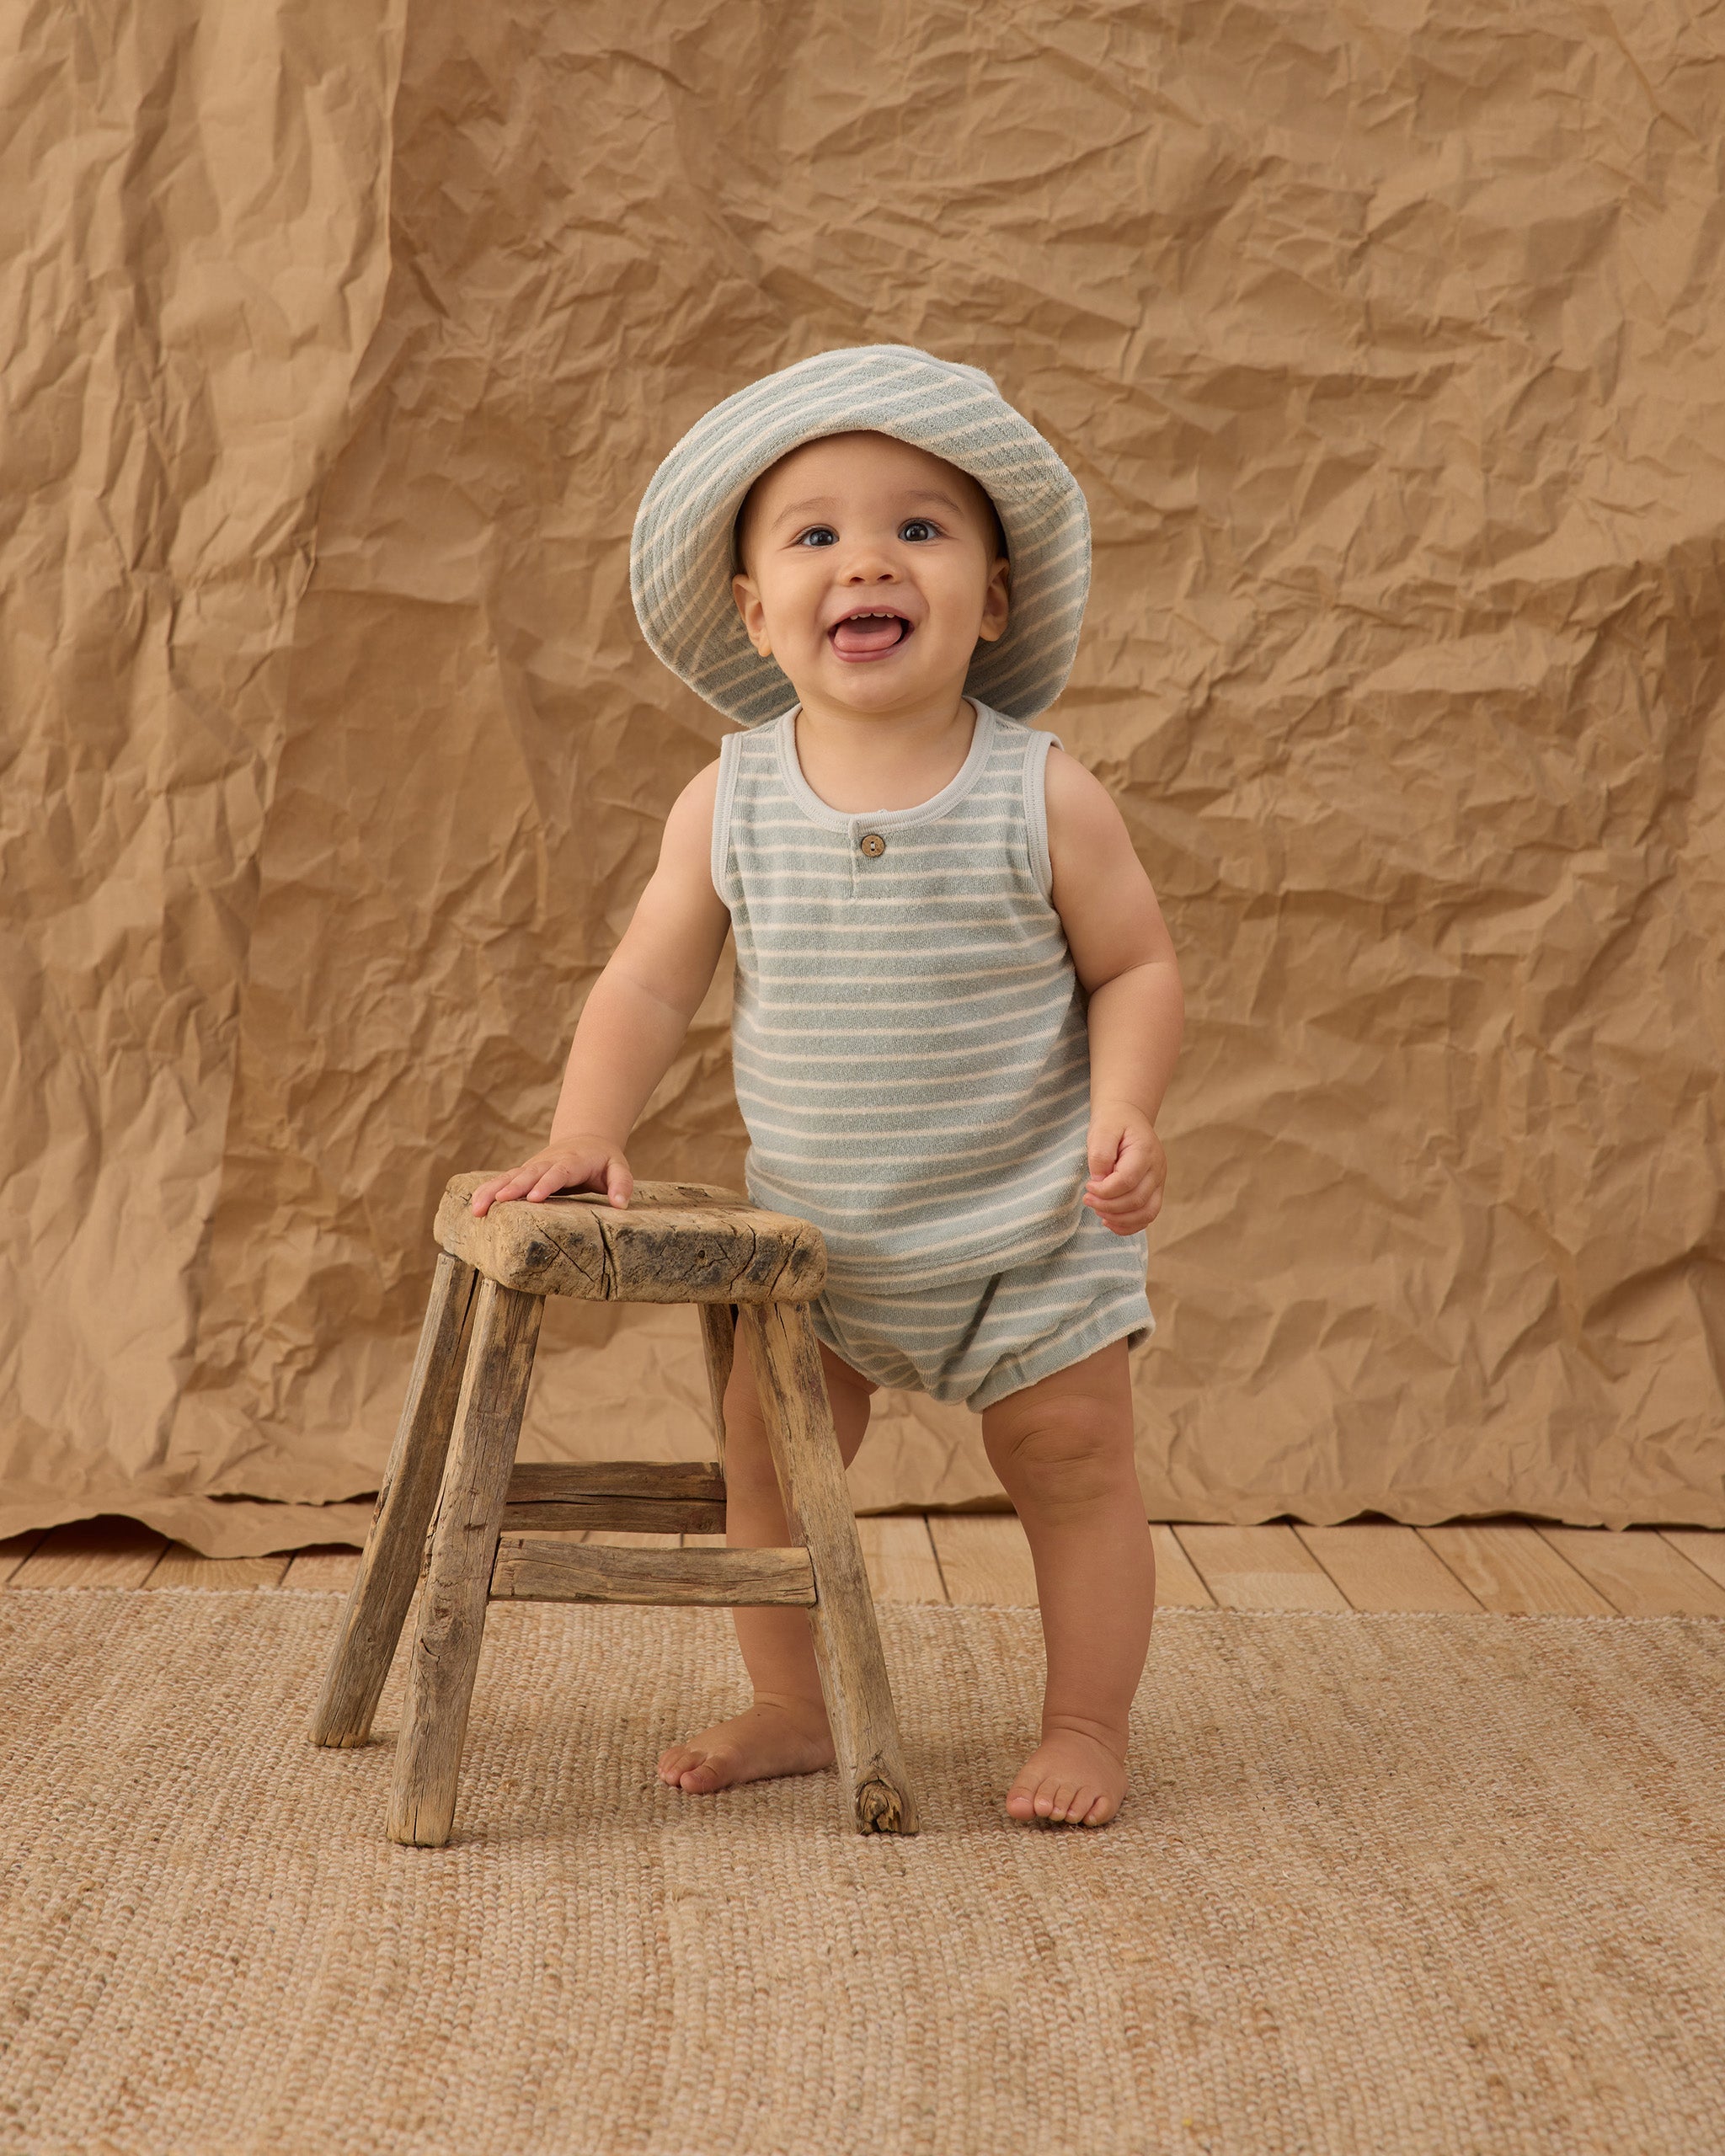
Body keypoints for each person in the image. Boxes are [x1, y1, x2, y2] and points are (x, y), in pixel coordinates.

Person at [472, 346, 1183, 1828]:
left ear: (991, 599)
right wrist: (585, 1129)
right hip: (819, 1248)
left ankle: (1088, 1723)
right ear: (754, 612)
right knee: (770, 1465)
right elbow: (650, 983)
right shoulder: (730, 797)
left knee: (1074, 1461)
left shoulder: (1038, 789)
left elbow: (1134, 966)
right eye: (816, 535)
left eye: (921, 528)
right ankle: (791, 1702)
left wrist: (1127, 1103)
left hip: (1029, 1239)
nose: (868, 557)